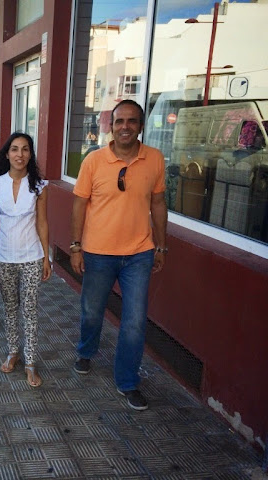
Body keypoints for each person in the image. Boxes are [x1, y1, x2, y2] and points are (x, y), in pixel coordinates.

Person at [70, 100, 167, 411]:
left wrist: (161, 245)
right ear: (111, 127)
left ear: (141, 126)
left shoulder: (154, 159)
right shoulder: (94, 161)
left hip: (139, 254)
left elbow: (158, 203)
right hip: (98, 253)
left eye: (132, 121)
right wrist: (76, 246)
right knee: (92, 312)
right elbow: (79, 204)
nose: (125, 126)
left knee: (135, 321)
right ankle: (86, 351)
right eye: (120, 121)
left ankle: (128, 381)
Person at [0, 132, 52, 388]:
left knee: (29, 309)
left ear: (30, 154)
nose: (20, 154)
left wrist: (46, 257)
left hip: (31, 256)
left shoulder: (39, 186)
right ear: (7, 154)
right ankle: (13, 351)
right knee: (10, 308)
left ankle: (30, 362)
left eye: (25, 149)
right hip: (2, 256)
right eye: (15, 149)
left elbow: (42, 222)